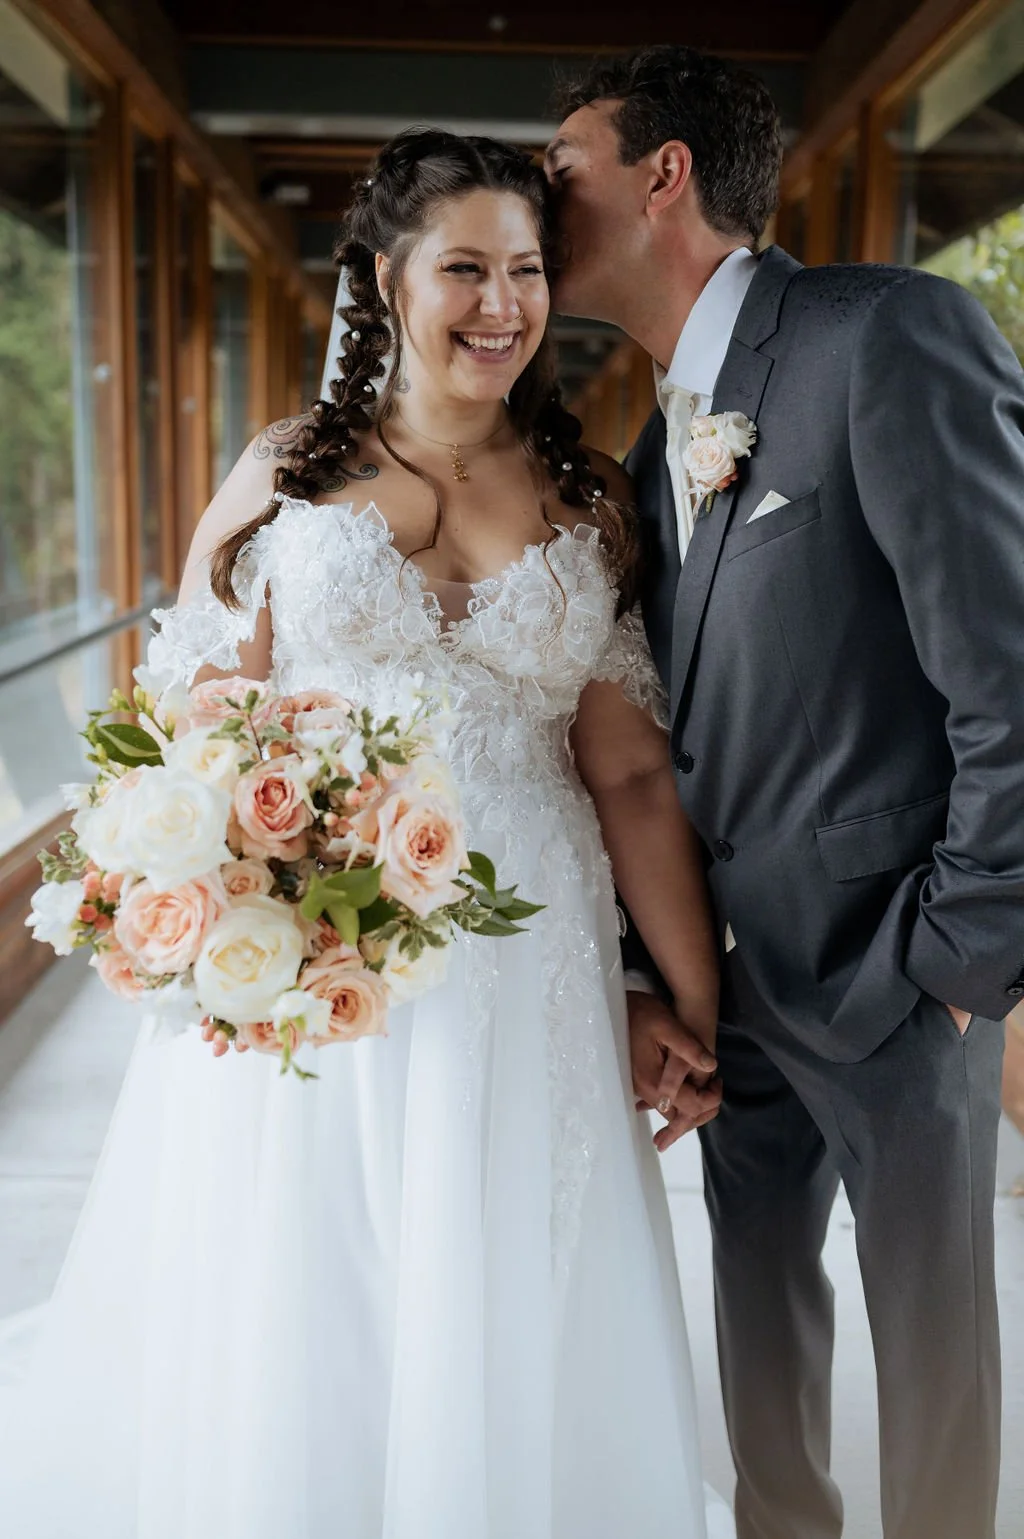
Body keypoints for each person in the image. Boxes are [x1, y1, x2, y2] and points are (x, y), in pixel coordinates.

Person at [0, 129, 733, 1539]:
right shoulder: (287, 470)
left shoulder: (592, 502)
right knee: (307, 1283)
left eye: (525, 269)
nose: (501, 304)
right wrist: (221, 902)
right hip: (320, 963)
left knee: (508, 1283)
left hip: (532, 976)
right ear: (388, 279)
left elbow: (632, 781)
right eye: (465, 267)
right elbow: (185, 726)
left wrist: (691, 1003)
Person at [547, 43, 1019, 1539]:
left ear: (662, 174)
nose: (538, 202)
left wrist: (958, 958)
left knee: (933, 1350)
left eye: (564, 173)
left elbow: (1008, 670)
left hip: (897, 968)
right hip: (728, 993)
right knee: (757, 1328)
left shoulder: (885, 337)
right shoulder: (650, 439)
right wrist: (654, 969)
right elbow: (659, 736)